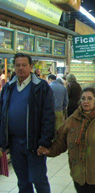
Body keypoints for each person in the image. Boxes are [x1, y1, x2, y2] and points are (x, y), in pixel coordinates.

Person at [37, 87, 95, 193]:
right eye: (83, 98)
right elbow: (60, 142)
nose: (86, 101)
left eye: (89, 98)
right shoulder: (71, 120)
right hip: (78, 173)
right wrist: (49, 151)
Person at [0, 53, 55, 193]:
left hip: (34, 144)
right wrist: (2, 142)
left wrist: (44, 142)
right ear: (13, 67)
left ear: (31, 67)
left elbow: (48, 116)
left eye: (24, 65)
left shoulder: (41, 87)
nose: (21, 68)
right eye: (18, 65)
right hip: (14, 144)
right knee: (23, 182)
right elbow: (2, 115)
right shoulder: (8, 88)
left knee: (39, 180)